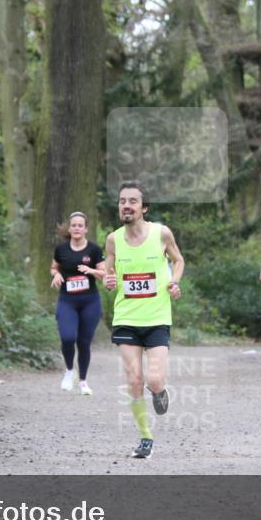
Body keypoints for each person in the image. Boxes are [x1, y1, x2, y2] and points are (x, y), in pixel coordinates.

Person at [103, 181, 185, 459]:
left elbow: (178, 260)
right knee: (134, 380)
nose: (126, 206)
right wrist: (109, 280)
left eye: (132, 201)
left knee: (154, 379)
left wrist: (174, 281)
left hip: (157, 317)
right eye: (122, 201)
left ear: (144, 208)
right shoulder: (113, 239)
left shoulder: (161, 234)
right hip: (126, 317)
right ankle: (145, 438)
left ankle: (159, 391)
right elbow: (109, 273)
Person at [51, 212, 106, 396]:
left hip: (90, 302)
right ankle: (69, 371)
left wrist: (91, 270)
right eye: (73, 225)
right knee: (67, 337)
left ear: (86, 229)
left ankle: (83, 381)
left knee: (84, 342)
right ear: (69, 229)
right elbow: (54, 267)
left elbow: (104, 274)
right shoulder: (61, 250)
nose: (76, 228)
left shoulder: (94, 250)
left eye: (80, 225)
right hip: (67, 301)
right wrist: (56, 274)